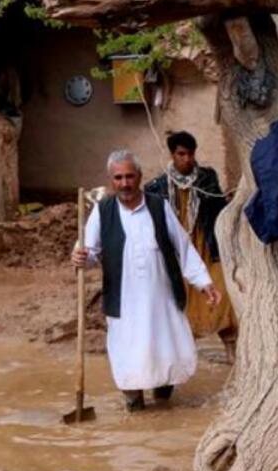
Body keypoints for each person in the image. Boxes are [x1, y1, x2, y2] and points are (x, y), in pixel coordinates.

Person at [71, 150, 221, 412]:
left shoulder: (158, 206)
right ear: (111, 180)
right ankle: (134, 404)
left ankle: (164, 402)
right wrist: (81, 257)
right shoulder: (102, 211)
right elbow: (89, 253)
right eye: (118, 178)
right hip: (124, 300)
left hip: (160, 298)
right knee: (128, 354)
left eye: (130, 176)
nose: (125, 183)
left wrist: (204, 282)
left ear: (139, 177)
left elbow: (183, 247)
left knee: (165, 352)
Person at [144, 131, 239, 362]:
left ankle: (231, 352)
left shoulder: (206, 179)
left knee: (221, 295)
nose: (187, 159)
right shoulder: (157, 186)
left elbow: (218, 211)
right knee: (179, 302)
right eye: (181, 154)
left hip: (206, 246)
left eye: (190, 153)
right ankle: (181, 358)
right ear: (172, 155)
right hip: (176, 252)